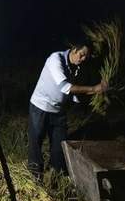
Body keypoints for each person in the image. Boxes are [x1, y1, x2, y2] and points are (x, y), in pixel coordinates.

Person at [28, 43, 108, 178]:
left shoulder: (77, 67)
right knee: (36, 141)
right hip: (40, 107)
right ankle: (35, 174)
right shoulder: (55, 59)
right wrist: (94, 89)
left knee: (60, 144)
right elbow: (65, 87)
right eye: (81, 55)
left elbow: (76, 93)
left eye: (85, 57)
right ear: (74, 50)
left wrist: (99, 92)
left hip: (59, 111)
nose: (82, 59)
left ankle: (56, 175)